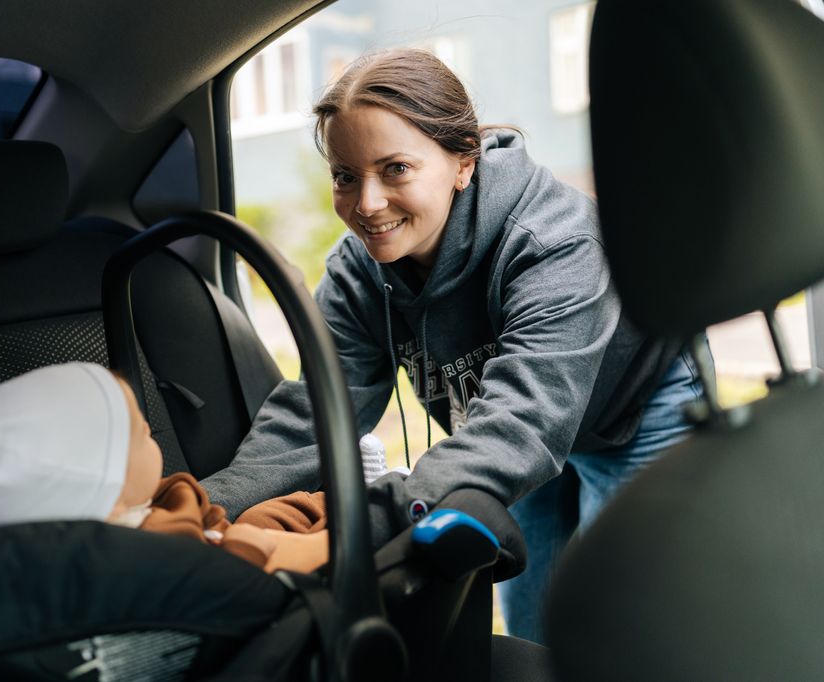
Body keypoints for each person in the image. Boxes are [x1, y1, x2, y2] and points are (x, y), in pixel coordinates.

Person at [200, 48, 705, 642]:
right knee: (531, 630)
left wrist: (374, 515)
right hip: (507, 428)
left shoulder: (555, 243)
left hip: (634, 408)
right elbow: (315, 410)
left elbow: (525, 423)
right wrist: (207, 511)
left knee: (614, 624)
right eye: (345, 176)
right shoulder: (357, 273)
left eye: (395, 169)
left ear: (462, 163)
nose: (366, 204)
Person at [0, 362, 329, 574]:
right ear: (108, 494)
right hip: (241, 575)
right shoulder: (146, 552)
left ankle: (332, 500)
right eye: (140, 432)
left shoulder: (136, 513)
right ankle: (348, 512)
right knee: (288, 533)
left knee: (266, 514)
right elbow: (221, 581)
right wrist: (248, 548)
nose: (151, 429)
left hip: (218, 541)